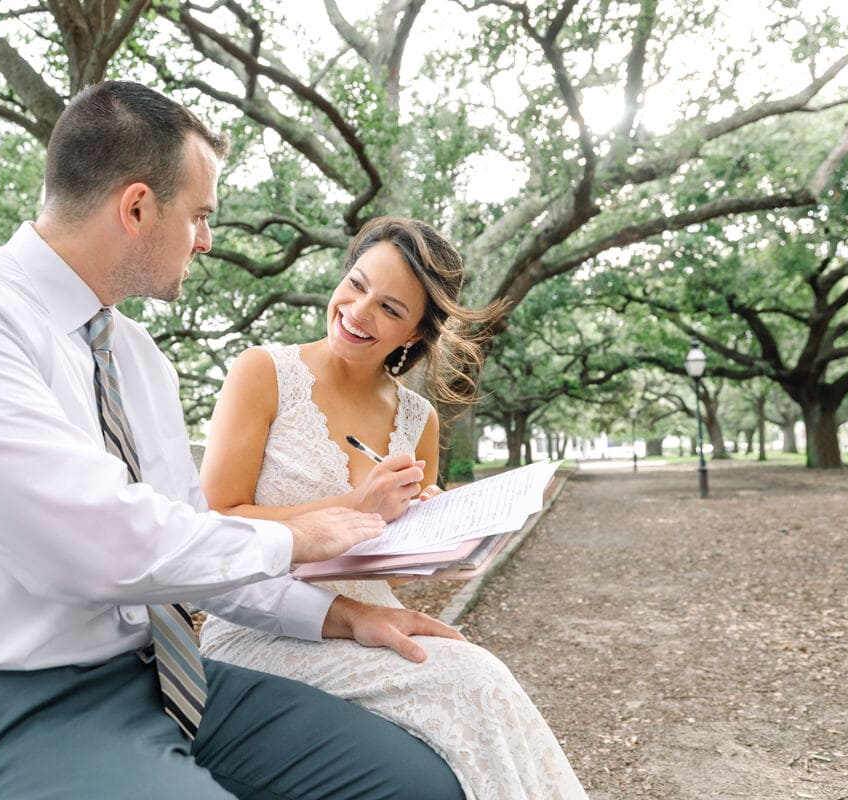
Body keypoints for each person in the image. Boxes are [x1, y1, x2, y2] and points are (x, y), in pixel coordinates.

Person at [0, 81, 469, 799]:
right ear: (138, 207)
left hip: (152, 681)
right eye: (200, 216)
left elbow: (192, 543)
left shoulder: (136, 358)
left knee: (415, 785)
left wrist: (345, 616)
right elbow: (92, 546)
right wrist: (303, 536)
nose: (206, 239)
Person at [198, 216, 590, 800]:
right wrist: (359, 504)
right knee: (476, 682)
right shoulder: (263, 372)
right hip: (264, 622)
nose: (358, 313)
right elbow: (216, 522)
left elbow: (396, 571)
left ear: (413, 335)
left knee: (480, 682)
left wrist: (435, 531)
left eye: (389, 308)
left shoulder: (418, 419)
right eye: (357, 285)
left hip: (376, 613)